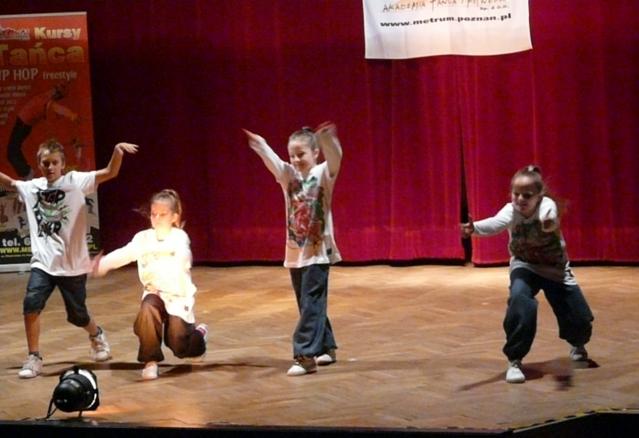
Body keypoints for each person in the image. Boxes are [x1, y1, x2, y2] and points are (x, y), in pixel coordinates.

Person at [0, 138, 138, 378]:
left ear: (63, 164)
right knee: (31, 304)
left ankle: (96, 335)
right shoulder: (32, 187)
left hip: (72, 265)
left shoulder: (75, 181)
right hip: (43, 263)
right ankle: (34, 357)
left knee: (77, 315)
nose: (50, 167)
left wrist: (117, 151)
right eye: (46, 163)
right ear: (39, 164)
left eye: (55, 162)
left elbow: (110, 172)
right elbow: (11, 183)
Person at [460, 165, 594, 384]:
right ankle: (514, 360)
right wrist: (474, 228)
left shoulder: (546, 205)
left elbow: (549, 216)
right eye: (516, 194)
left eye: (527, 195)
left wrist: (549, 222)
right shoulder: (510, 210)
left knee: (579, 319)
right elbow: (496, 223)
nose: (520, 199)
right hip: (525, 266)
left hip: (554, 268)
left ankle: (578, 343)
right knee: (520, 300)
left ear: (539, 195)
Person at [244, 122, 342, 376]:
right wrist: (260, 144)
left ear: (315, 153)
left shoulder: (323, 174)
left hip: (318, 253)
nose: (296, 160)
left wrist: (327, 139)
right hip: (295, 252)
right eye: (292, 155)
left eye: (301, 154)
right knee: (308, 303)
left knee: (311, 303)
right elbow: (273, 162)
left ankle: (305, 355)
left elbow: (336, 158)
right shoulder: (288, 175)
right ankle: (326, 346)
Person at [91, 189, 208, 380]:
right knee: (147, 309)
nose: (157, 219)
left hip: (177, 297)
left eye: (163, 215)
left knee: (179, 345)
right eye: (154, 214)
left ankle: (200, 335)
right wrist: (102, 265)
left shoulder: (180, 238)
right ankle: (150, 362)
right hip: (154, 294)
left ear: (174, 217)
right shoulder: (143, 238)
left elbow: (181, 264)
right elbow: (125, 253)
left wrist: (160, 281)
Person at [6, 81, 79, 179]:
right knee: (12, 150)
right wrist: (65, 84)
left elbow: (60, 109)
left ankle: (27, 173)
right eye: (57, 87)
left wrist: (71, 115)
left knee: (12, 151)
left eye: (58, 89)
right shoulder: (46, 95)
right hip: (21, 123)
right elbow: (59, 88)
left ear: (58, 94)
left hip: (23, 125)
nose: (55, 88)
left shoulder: (49, 103)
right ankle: (26, 173)